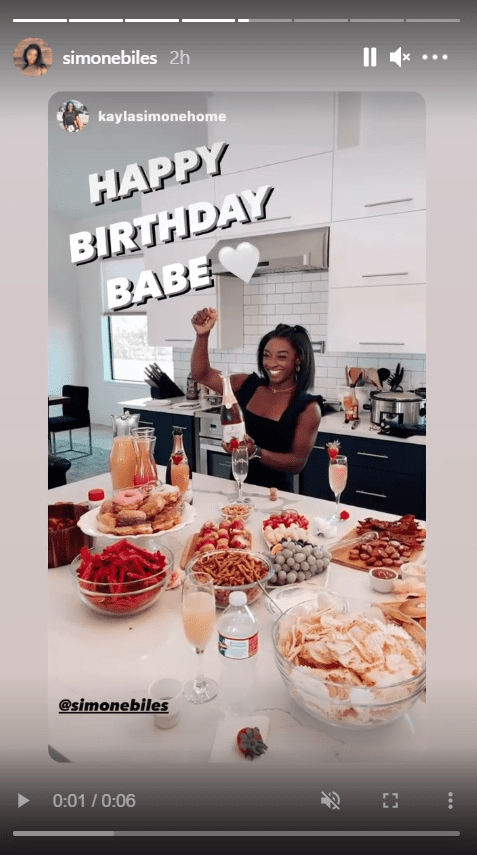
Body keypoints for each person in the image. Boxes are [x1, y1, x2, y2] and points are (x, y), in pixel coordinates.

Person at [191, 307, 321, 492]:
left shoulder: (308, 408)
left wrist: (256, 452)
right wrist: (202, 336)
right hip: (237, 488)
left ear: (298, 359)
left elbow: (297, 463)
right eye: (266, 355)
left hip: (276, 497)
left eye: (282, 357)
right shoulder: (247, 384)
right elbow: (202, 374)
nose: (271, 363)